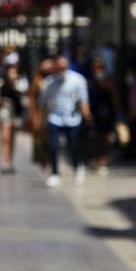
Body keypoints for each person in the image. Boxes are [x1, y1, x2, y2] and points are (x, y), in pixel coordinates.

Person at [40, 56, 91, 188]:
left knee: (72, 147)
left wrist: (86, 114)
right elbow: (44, 102)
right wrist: (41, 119)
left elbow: (83, 99)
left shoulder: (77, 80)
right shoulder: (49, 82)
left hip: (72, 119)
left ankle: (77, 166)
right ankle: (55, 174)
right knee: (53, 146)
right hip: (55, 118)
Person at [86, 58, 122, 175]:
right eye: (96, 68)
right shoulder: (90, 83)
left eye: (100, 68)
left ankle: (103, 161)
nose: (98, 70)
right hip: (95, 115)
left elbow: (115, 99)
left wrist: (118, 114)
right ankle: (95, 159)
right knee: (95, 138)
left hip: (107, 115)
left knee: (107, 139)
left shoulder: (109, 83)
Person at [0, 64, 27, 174]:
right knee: (5, 139)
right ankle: (4, 163)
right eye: (11, 72)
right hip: (4, 113)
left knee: (12, 140)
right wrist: (1, 101)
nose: (13, 74)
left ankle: (10, 162)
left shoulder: (20, 84)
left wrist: (16, 85)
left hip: (16, 114)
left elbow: (23, 97)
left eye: (15, 72)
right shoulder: (0, 83)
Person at [28, 59, 55, 175]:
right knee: (40, 141)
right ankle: (44, 162)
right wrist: (34, 115)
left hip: (53, 113)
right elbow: (31, 98)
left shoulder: (55, 80)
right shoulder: (38, 81)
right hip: (41, 113)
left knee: (52, 140)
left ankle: (51, 162)